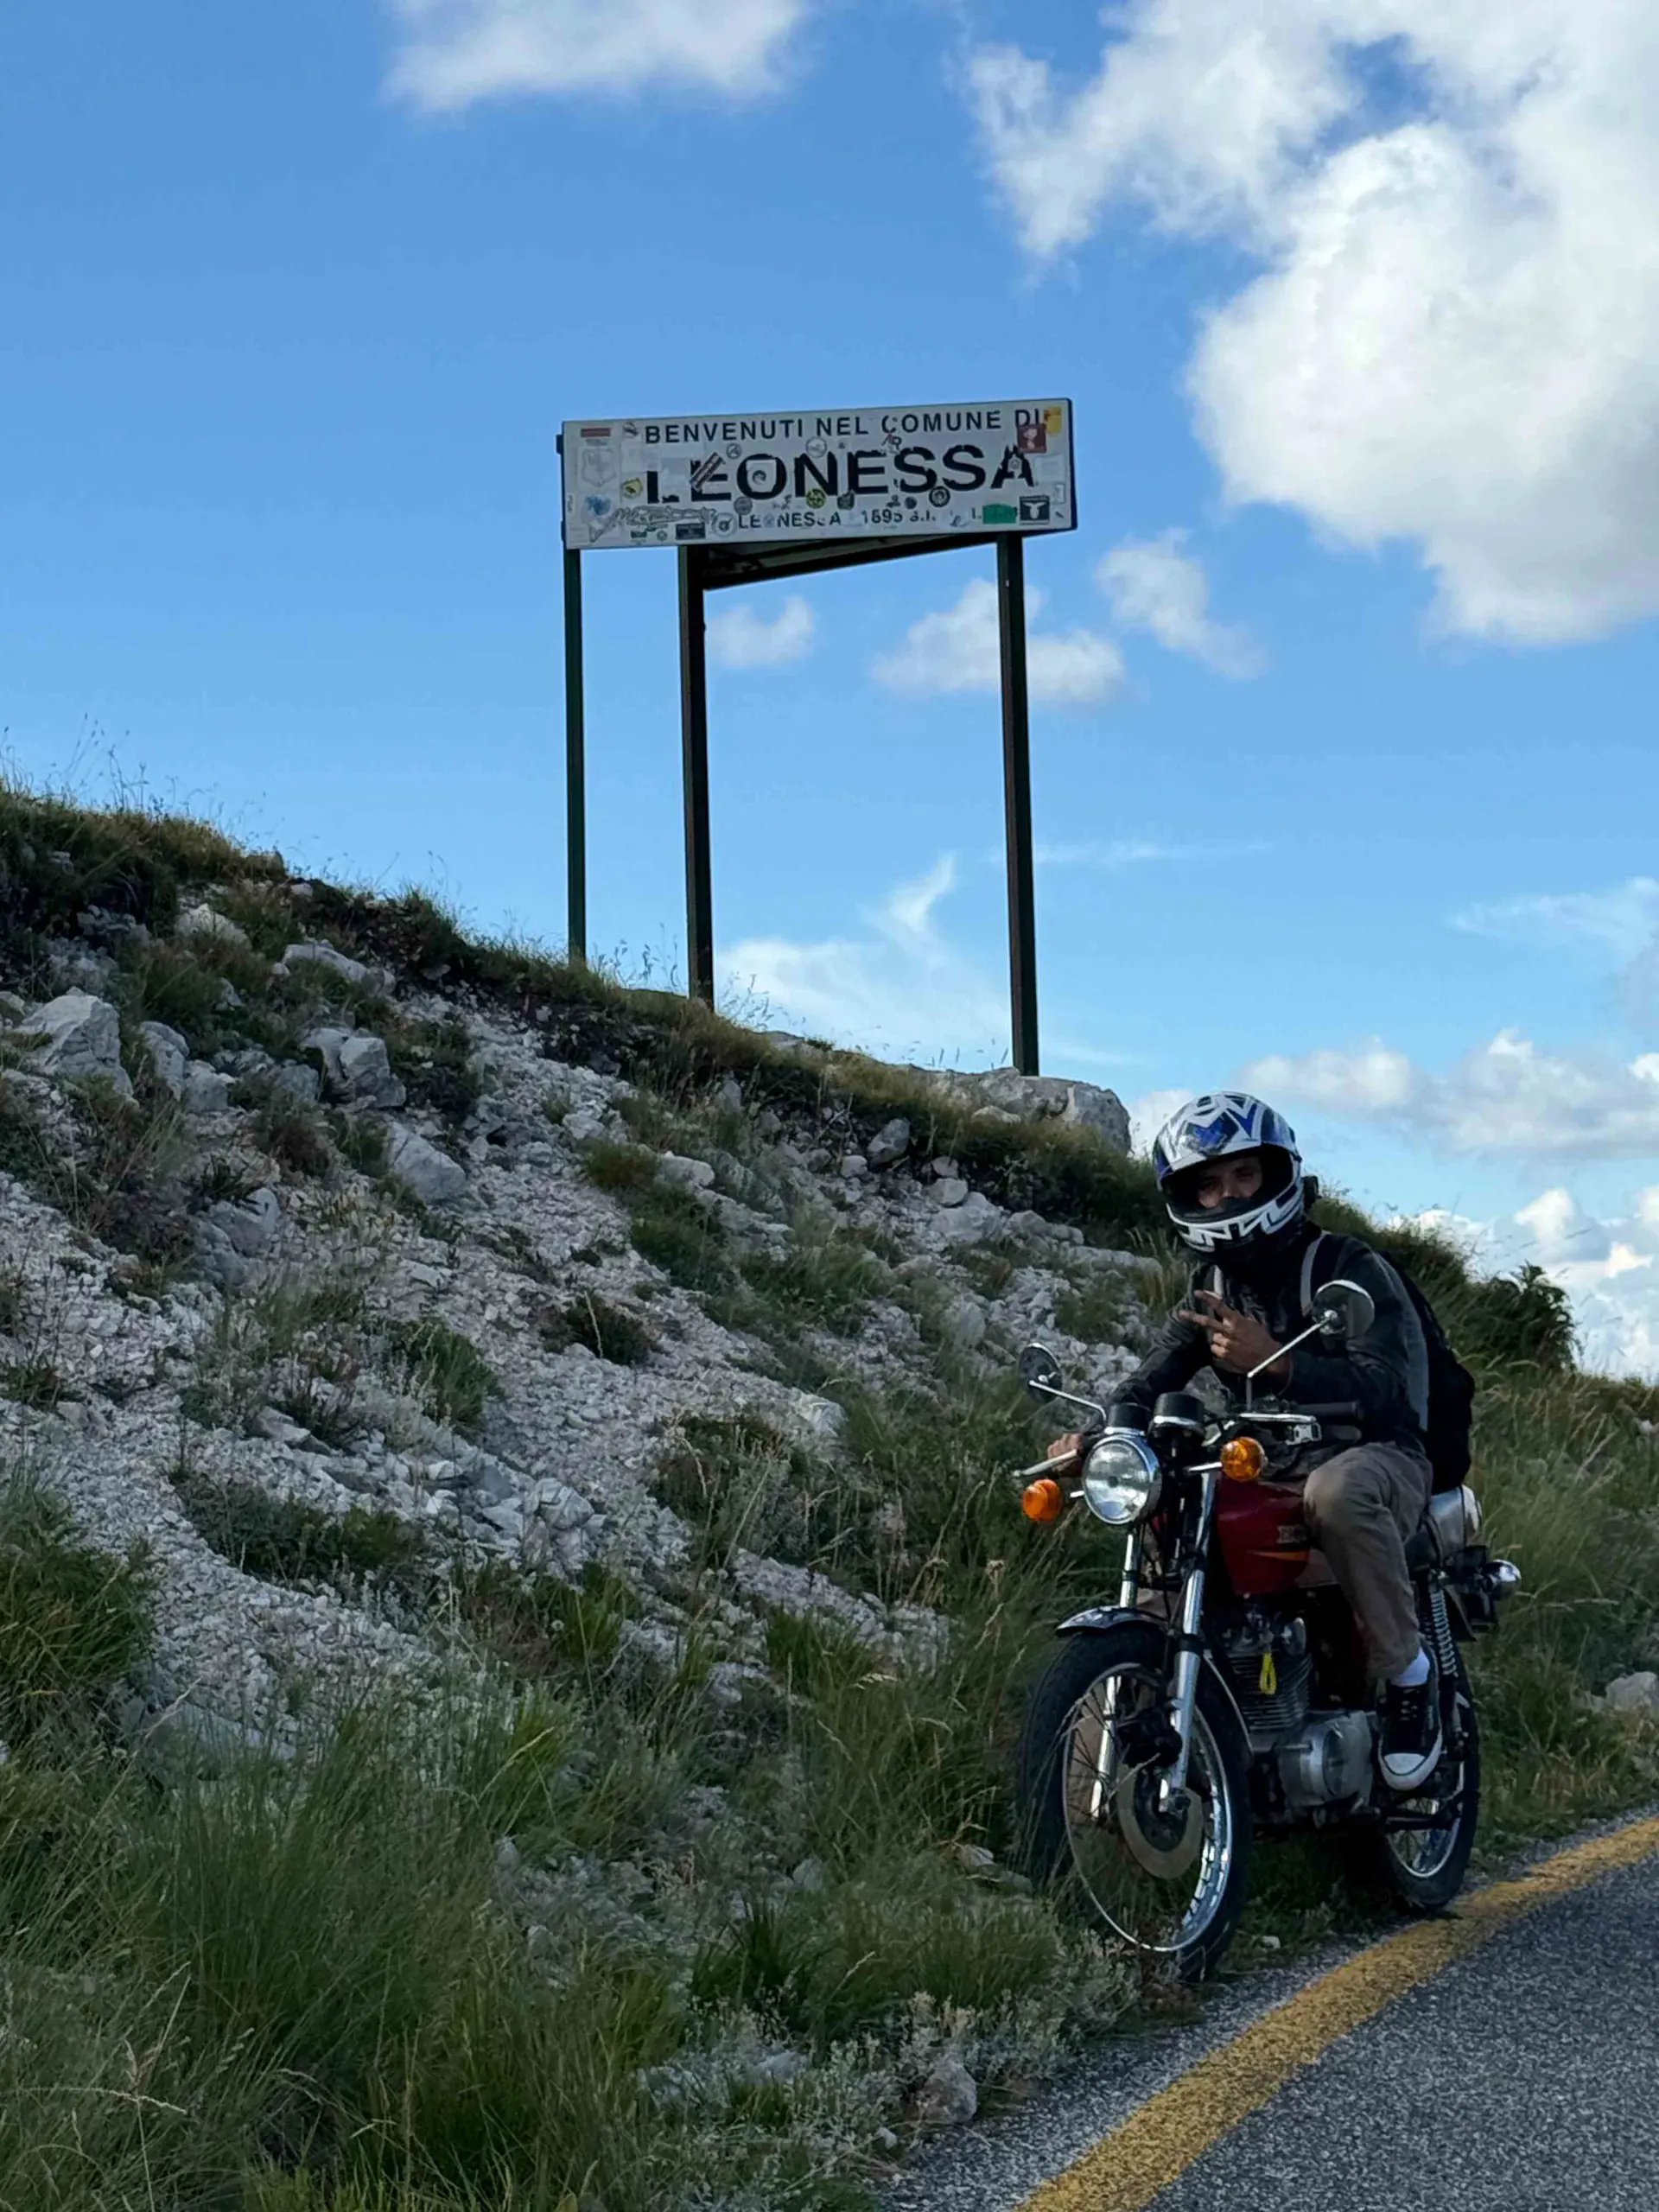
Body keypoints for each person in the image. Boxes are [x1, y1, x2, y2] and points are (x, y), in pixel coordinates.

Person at [1053, 1091, 1441, 1790]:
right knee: (1171, 1508)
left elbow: (1392, 1389)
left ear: (1277, 1173)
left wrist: (1280, 1364)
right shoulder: (1211, 1287)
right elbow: (1151, 1377)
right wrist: (1101, 1434)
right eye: (1207, 1184)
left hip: (1377, 1456)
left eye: (1243, 1175)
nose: (1227, 1195)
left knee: (1338, 1492)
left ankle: (1409, 1679)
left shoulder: (1345, 1264)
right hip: (1265, 1465)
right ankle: (1116, 1765)